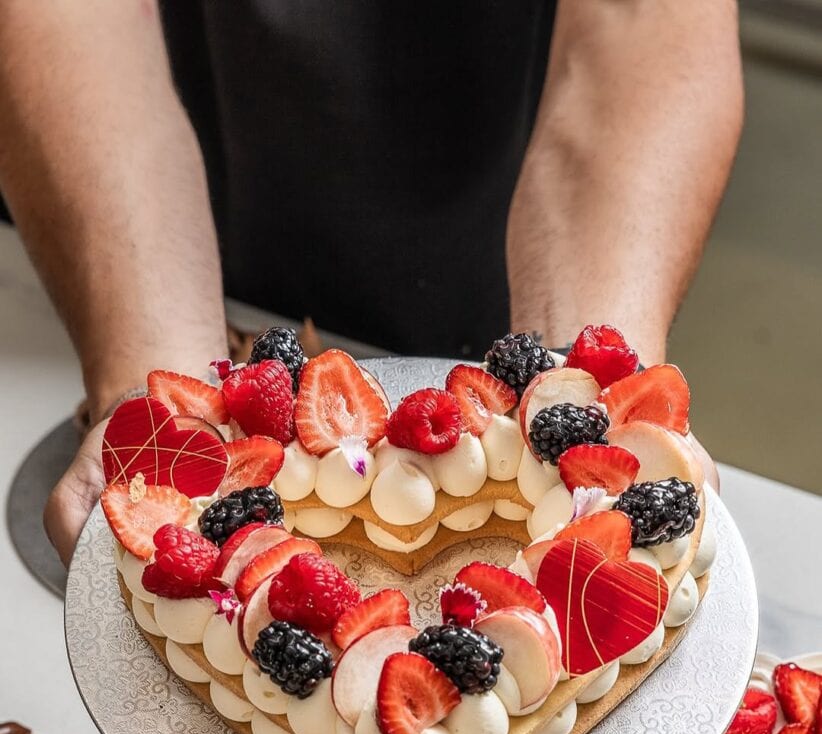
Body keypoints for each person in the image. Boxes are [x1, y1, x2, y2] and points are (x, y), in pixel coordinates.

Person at [0, 1, 741, 566]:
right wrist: (161, 384)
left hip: (509, 240)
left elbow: (640, 19)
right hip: (169, 222)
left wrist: (586, 397)